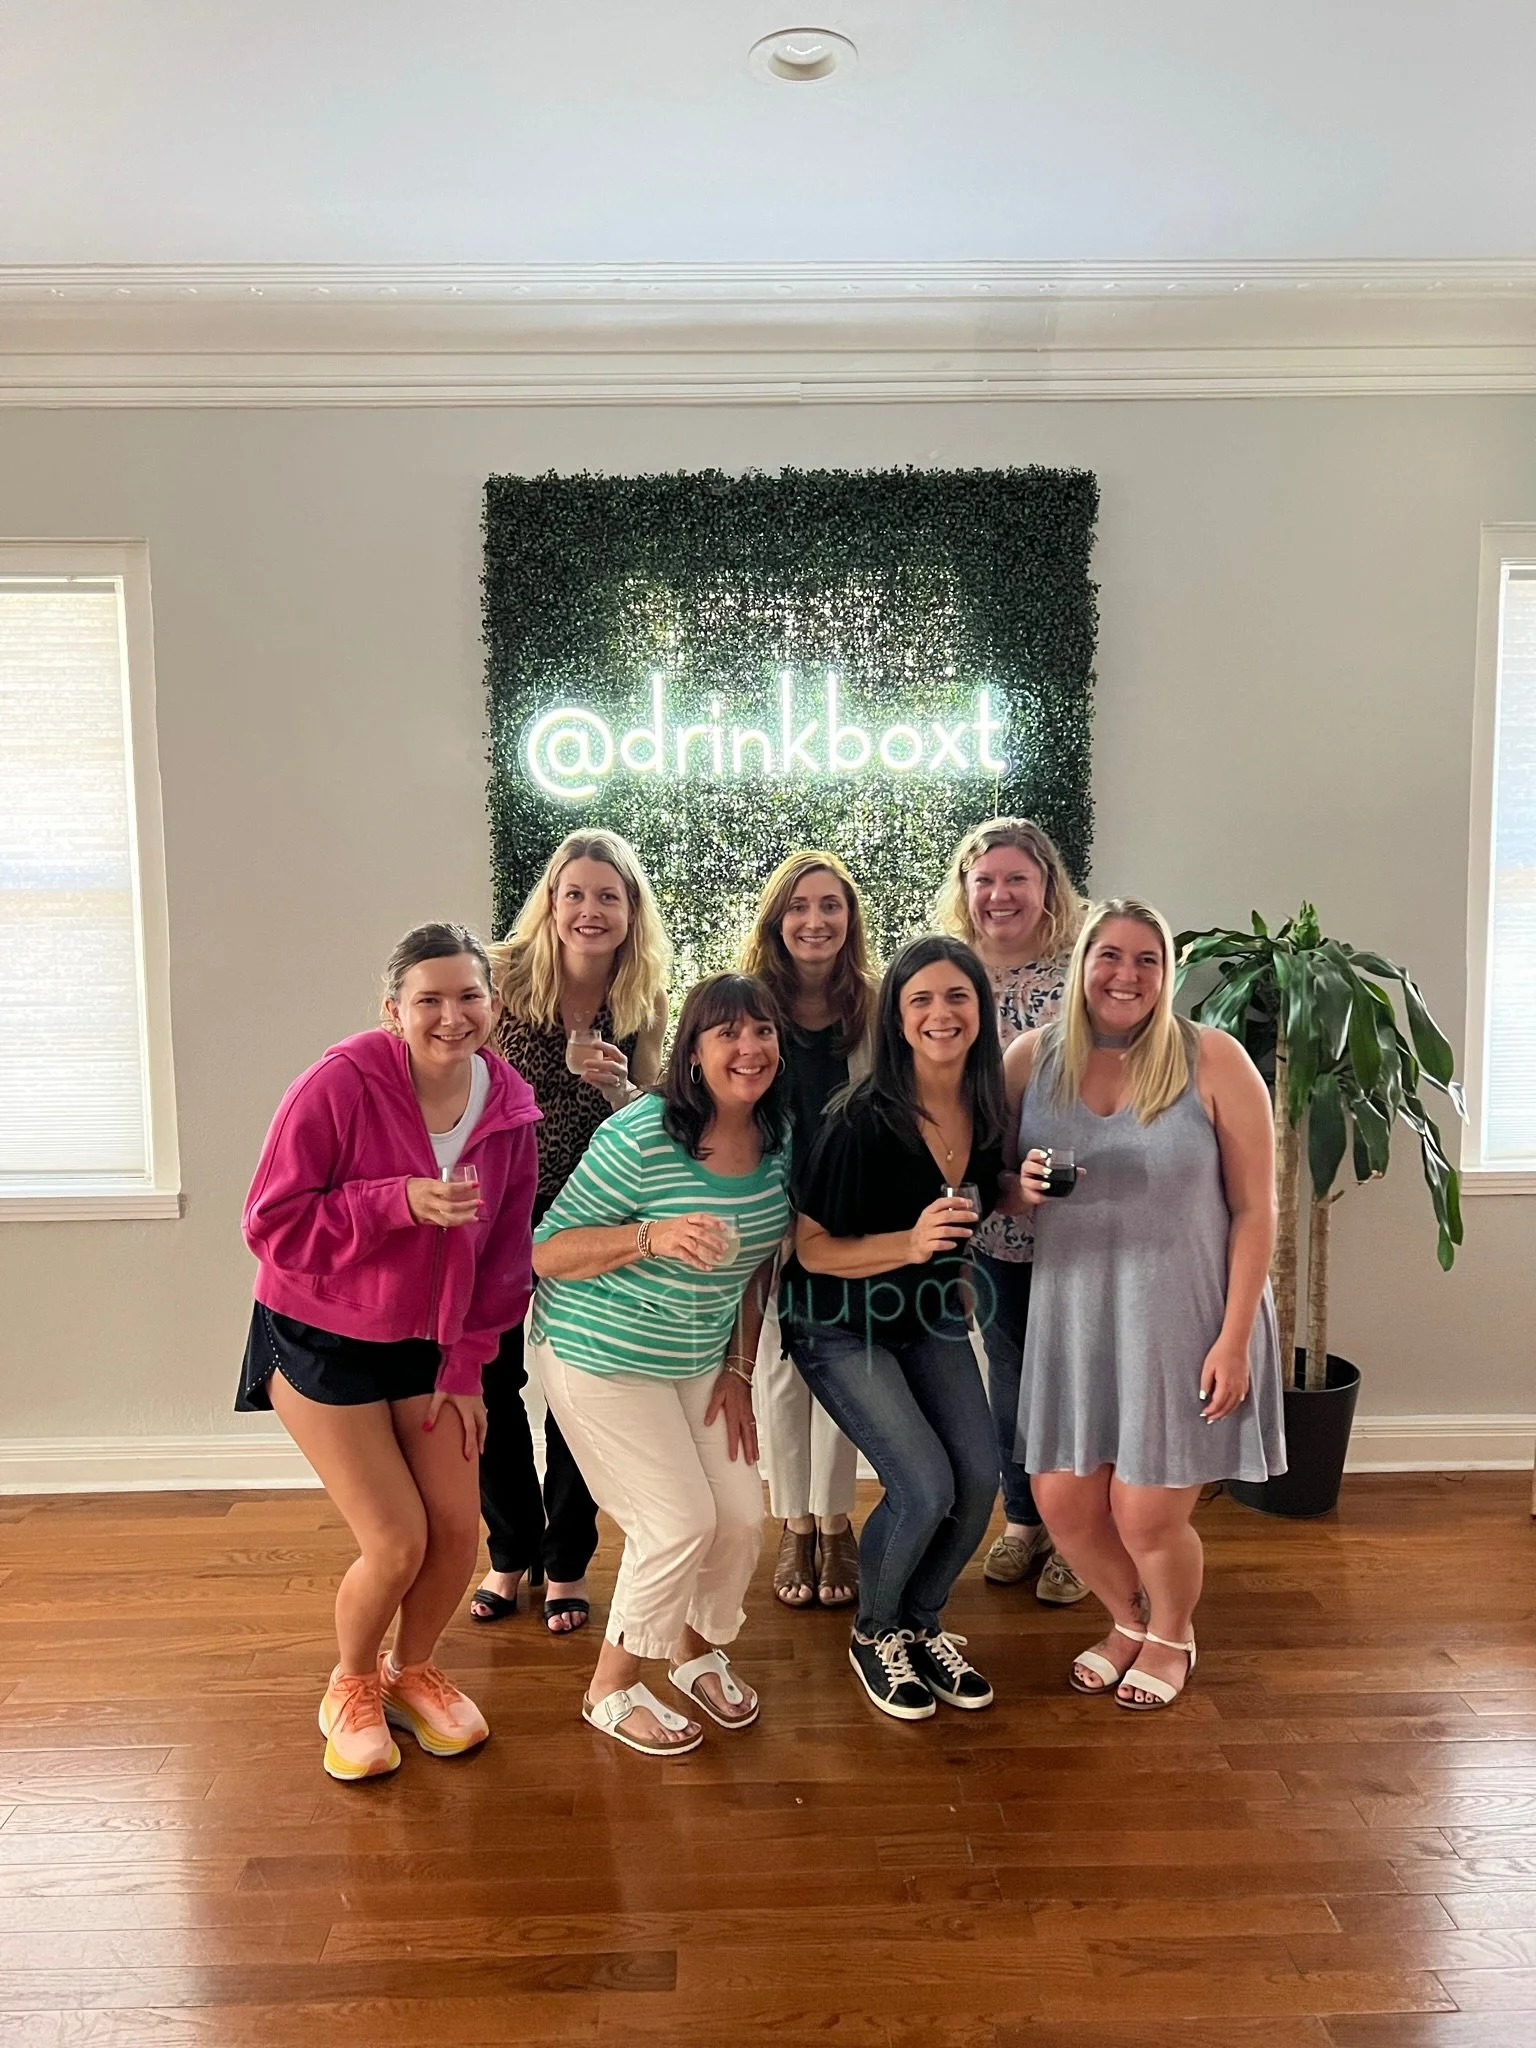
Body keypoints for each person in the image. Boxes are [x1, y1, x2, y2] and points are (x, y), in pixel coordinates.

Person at [239, 923, 540, 1781]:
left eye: (470, 996)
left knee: (456, 1531)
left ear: (495, 1003)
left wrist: (467, 1366)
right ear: (393, 1011)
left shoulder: (508, 1107)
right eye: (429, 1000)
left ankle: (411, 1674)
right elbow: (270, 1224)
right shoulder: (338, 1085)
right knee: (398, 1540)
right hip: (319, 1331)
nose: (452, 1016)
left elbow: (504, 1258)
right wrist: (396, 1202)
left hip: (431, 1340)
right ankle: (350, 1683)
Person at [1007, 898, 1286, 1711]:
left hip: (1182, 1316)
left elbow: (1257, 1210)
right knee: (1061, 1501)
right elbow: (988, 1180)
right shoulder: (1031, 1059)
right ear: (1081, 964)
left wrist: (1234, 1339)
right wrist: (1014, 1189)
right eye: (1110, 956)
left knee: (1144, 1512)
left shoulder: (1212, 1059)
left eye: (1146, 960)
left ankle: (1171, 1636)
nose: (1125, 975)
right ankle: (1129, 1619)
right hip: (1075, 1318)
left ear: (1166, 974)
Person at [528, 974, 792, 1757]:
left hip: (697, 1359)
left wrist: (740, 1372)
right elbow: (545, 1253)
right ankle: (609, 1685)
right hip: (598, 1353)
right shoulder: (642, 1136)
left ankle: (691, 1648)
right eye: (727, 1034)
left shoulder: (778, 1141)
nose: (749, 1049)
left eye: (763, 1032)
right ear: (694, 1050)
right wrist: (650, 1236)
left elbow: (754, 1269)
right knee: (677, 1521)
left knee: (744, 1518)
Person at [781, 936, 1005, 1723]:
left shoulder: (985, 1104)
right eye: (921, 1000)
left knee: (980, 1481)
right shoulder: (859, 1122)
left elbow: (987, 1183)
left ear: (981, 1008)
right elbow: (810, 1250)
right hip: (839, 1326)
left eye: (957, 997)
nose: (941, 1014)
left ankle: (920, 1619)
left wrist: (1023, 1188)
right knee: (923, 1485)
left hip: (929, 1318)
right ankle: (876, 1631)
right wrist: (907, 1246)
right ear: (896, 1018)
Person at [470, 831, 670, 1636]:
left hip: (590, 1218)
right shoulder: (498, 979)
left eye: (608, 897)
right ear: (551, 903)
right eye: (575, 894)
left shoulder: (644, 1001)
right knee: (491, 1389)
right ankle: (509, 1552)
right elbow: (442, 1073)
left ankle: (567, 1563)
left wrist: (624, 1085)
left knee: (573, 1393)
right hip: (494, 1213)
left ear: (630, 912)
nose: (590, 911)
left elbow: (658, 1120)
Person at [935, 817, 1087, 1607]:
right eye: (984, 879)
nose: (999, 894)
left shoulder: (1084, 974)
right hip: (988, 1216)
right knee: (1014, 1373)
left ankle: (1079, 1533)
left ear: (1046, 886)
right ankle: (1024, 1519)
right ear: (965, 889)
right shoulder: (945, 975)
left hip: (1083, 1217)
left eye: (1016, 878)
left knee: (1082, 1373)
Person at [739, 850, 877, 1611]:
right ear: (776, 921)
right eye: (798, 906)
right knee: (780, 1371)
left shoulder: (878, 1004)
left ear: (849, 919)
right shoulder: (751, 1004)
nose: (815, 920)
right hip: (768, 1209)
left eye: (830, 905)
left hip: (852, 1217)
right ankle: (793, 1520)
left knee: (844, 1368)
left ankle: (836, 1518)